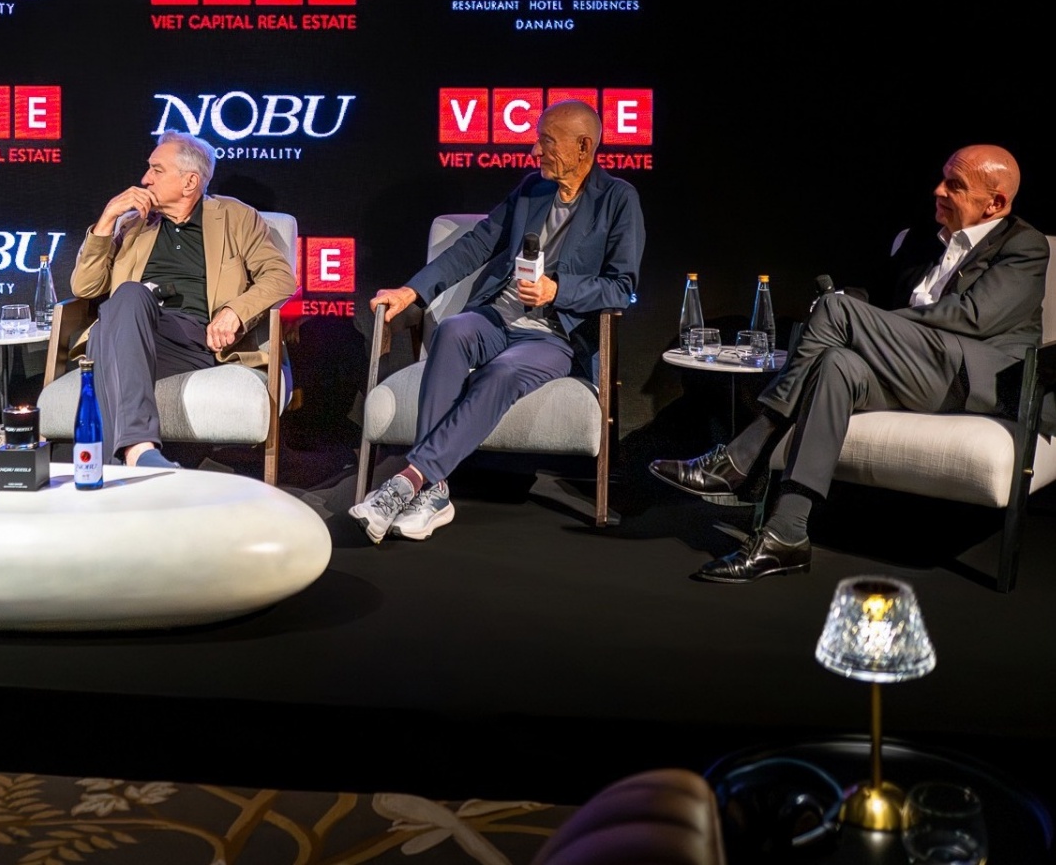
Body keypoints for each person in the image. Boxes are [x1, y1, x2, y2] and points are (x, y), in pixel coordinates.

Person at [650, 144, 1045, 582]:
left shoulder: (1023, 246)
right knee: (837, 362)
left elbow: (974, 317)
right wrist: (846, 304)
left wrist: (860, 321)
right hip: (909, 369)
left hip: (969, 377)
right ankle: (786, 534)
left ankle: (743, 452)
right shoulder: (922, 238)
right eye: (942, 178)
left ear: (995, 203)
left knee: (839, 316)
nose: (938, 190)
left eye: (955, 185)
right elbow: (876, 297)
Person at [350, 100, 644, 543]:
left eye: (547, 141)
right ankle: (435, 491)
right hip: (496, 317)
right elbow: (477, 244)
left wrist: (557, 290)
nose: (534, 150)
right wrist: (413, 291)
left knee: (502, 373)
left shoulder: (618, 199)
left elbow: (621, 287)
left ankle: (409, 483)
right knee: (453, 329)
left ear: (584, 147)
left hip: (553, 336)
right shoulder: (532, 189)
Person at [69, 131, 297, 470]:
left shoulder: (236, 218)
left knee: (107, 333)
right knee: (126, 301)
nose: (145, 179)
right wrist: (106, 220)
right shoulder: (133, 223)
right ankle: (139, 452)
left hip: (193, 339)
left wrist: (235, 312)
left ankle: (108, 473)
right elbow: (85, 287)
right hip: (131, 330)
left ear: (190, 181)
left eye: (156, 170)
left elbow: (280, 277)